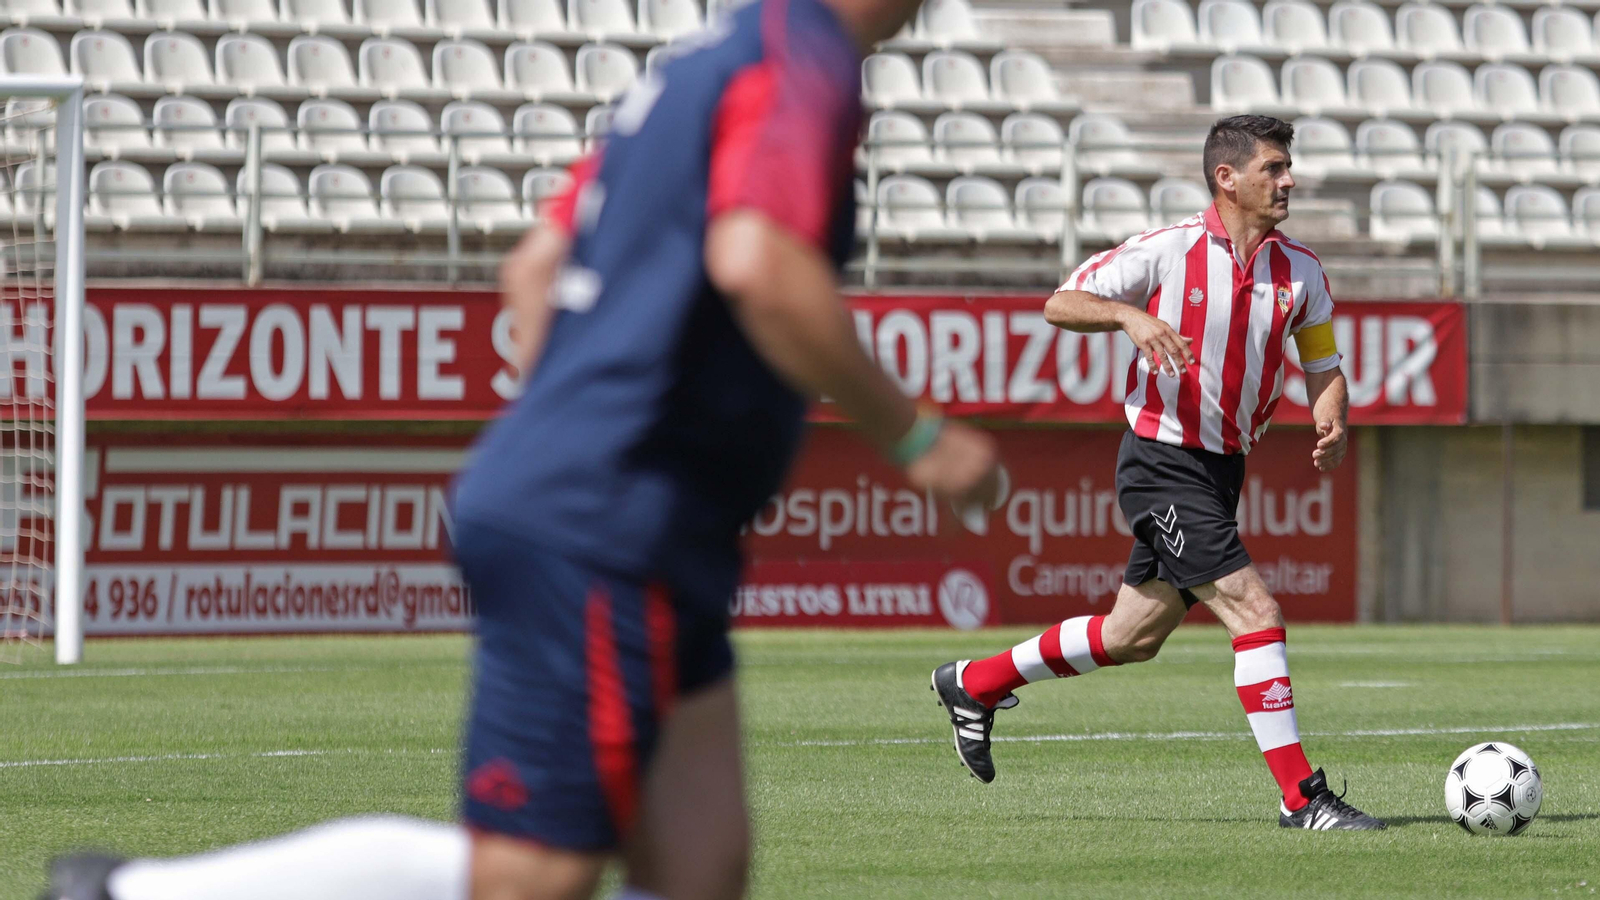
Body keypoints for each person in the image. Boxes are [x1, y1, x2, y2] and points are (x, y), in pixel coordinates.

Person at [43, 0, 1002, 897]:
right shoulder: (803, 57)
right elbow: (756, 260)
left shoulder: (710, 58)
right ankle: (135, 892)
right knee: (533, 872)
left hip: (645, 521)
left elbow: (535, 263)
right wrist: (915, 435)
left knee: (703, 861)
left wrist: (565, 427)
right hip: (612, 520)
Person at [930, 114, 1386, 831]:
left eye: (1287, 167)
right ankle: (1302, 799)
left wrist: (1333, 416)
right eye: (1273, 168)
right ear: (1226, 179)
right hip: (1161, 461)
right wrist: (1127, 318)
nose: (1288, 179)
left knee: (1130, 637)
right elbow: (1060, 302)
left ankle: (974, 683)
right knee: (1255, 611)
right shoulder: (1169, 251)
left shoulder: (1301, 272)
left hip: (1222, 472)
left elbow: (1324, 364)